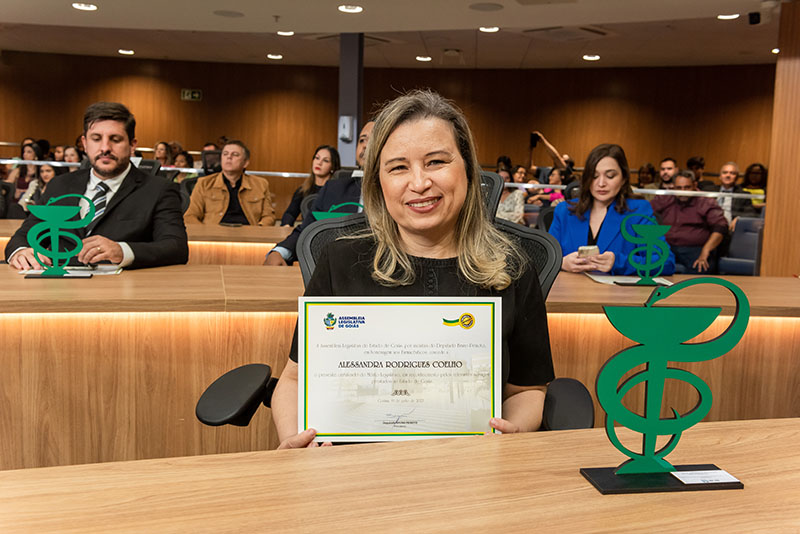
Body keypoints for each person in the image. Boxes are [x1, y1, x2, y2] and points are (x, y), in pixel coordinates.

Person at [271, 89, 554, 449]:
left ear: (468, 169)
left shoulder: (512, 268)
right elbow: (295, 379)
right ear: (378, 182)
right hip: (351, 468)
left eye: (436, 162)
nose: (419, 183)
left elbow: (527, 390)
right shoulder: (339, 261)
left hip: (472, 465)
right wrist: (294, 442)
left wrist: (512, 433)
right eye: (398, 167)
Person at [5, 101, 189, 270]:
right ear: (85, 144)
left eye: (115, 139)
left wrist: (122, 251)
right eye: (96, 138)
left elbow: (176, 247)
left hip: (122, 288)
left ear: (132, 145)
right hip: (59, 287)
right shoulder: (59, 185)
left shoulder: (159, 189)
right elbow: (24, 236)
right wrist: (21, 252)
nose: (105, 148)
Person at [549, 143, 675, 276]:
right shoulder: (564, 211)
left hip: (614, 289)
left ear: (623, 179)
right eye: (594, 176)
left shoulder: (638, 211)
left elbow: (666, 262)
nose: (601, 183)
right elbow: (543, 258)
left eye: (610, 176)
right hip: (569, 288)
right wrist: (560, 263)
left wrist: (619, 262)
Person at [265, 121, 374, 266]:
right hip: (338, 270)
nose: (365, 145)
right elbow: (307, 230)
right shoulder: (333, 189)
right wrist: (279, 252)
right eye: (362, 140)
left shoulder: (400, 191)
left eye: (373, 139)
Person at [650, 170, 727, 274]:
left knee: (700, 270)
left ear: (694, 185)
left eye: (687, 187)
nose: (683, 192)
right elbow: (646, 213)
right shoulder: (666, 198)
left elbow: (720, 227)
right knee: (651, 268)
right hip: (666, 247)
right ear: (673, 187)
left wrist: (706, 250)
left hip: (695, 249)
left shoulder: (705, 201)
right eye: (679, 188)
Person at [183, 140, 275, 226]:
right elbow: (190, 216)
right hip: (213, 233)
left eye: (235, 154)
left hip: (249, 234)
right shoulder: (204, 183)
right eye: (225, 154)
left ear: (245, 163)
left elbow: (269, 216)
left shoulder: (261, 184)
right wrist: (205, 233)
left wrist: (258, 230)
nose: (229, 157)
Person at [281, 145, 341, 226]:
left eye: (325, 160)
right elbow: (290, 214)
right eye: (317, 158)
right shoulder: (303, 190)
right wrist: (287, 225)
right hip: (308, 232)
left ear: (333, 166)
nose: (319, 163)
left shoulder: (338, 191)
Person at [701, 162, 756, 230]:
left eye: (732, 173)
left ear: (737, 177)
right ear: (720, 176)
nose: (728, 175)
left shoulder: (743, 194)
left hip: (731, 229)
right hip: (708, 228)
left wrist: (739, 218)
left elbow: (751, 213)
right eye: (725, 172)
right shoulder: (708, 190)